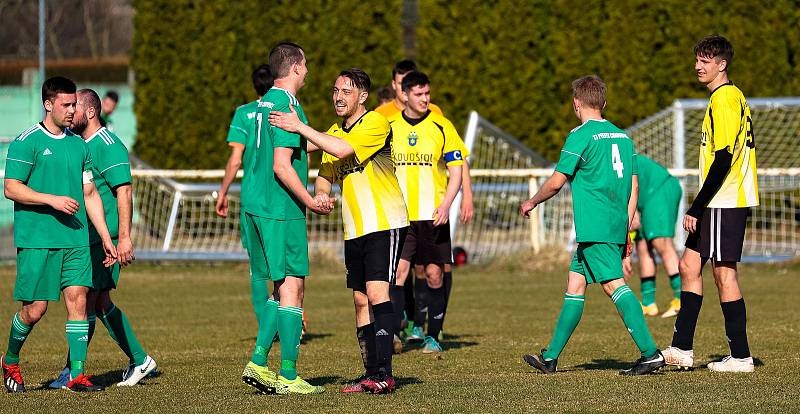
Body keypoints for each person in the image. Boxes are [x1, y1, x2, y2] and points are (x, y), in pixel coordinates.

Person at [269, 68, 409, 394]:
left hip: (384, 223)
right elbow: (326, 171)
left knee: (376, 295)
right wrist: (320, 193)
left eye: (346, 91)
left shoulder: (375, 123)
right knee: (361, 302)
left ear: (362, 96)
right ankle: (371, 373)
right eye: (335, 90)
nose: (338, 96)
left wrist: (300, 127)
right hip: (354, 228)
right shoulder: (333, 130)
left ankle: (385, 375)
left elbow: (343, 151)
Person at [520, 75, 664, 376]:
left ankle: (650, 353)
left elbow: (557, 182)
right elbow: (633, 188)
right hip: (612, 224)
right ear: (604, 103)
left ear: (576, 103)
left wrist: (532, 201)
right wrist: (625, 229)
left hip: (595, 226)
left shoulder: (580, 136)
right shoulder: (624, 138)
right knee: (575, 283)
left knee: (614, 286)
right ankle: (550, 357)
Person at [2, 76, 117, 392]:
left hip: (76, 239)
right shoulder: (27, 142)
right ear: (48, 104)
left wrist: (107, 239)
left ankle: (77, 374)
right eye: (66, 105)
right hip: (38, 240)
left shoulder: (79, 145)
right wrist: (51, 200)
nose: (71, 110)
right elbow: (11, 188)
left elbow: (90, 193)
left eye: (74, 105)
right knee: (35, 310)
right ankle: (10, 359)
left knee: (79, 300)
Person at [46, 88, 156, 389]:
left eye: (75, 108)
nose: (70, 113)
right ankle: (135, 360)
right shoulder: (80, 144)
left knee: (89, 300)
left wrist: (124, 238)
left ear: (91, 112)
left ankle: (83, 369)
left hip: (105, 240)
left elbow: (125, 191)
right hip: (89, 237)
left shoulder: (108, 144)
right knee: (93, 301)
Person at [662, 35, 759, 373]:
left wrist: (696, 206)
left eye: (706, 60)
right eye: (697, 59)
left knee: (723, 274)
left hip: (724, 200)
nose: (698, 66)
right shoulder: (721, 98)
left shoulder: (725, 98)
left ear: (722, 64)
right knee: (689, 266)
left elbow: (724, 159)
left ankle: (742, 356)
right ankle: (681, 349)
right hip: (717, 200)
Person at [240, 42, 329, 395]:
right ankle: (289, 375)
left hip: (257, 206)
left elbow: (289, 147)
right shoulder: (287, 103)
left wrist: (328, 138)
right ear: (295, 67)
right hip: (280, 208)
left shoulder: (261, 105)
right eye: (305, 65)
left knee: (280, 287)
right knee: (294, 286)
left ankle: (259, 361)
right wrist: (309, 199)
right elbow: (281, 164)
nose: (307, 71)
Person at [376, 60, 474, 346]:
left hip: (433, 214)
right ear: (404, 95)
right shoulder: (388, 126)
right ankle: (394, 331)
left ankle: (433, 335)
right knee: (397, 274)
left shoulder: (442, 126)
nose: (425, 99)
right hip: (400, 215)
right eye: (419, 94)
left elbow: (457, 169)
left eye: (427, 93)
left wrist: (446, 205)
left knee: (433, 274)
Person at [622, 155, 683, 317]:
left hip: (659, 190)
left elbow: (627, 212)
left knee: (661, 244)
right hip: (645, 198)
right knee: (643, 245)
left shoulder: (607, 164)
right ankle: (649, 303)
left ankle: (682, 298)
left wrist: (625, 253)